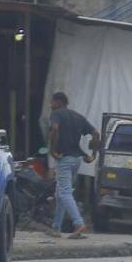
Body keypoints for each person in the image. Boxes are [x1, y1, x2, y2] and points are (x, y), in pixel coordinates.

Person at [48, 91, 99, 239]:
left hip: (64, 158)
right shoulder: (78, 116)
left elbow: (55, 129)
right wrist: (93, 155)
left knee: (64, 192)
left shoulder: (56, 114)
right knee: (61, 193)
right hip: (77, 159)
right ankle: (56, 228)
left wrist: (52, 151)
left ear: (58, 102)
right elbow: (96, 133)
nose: (51, 105)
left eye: (52, 102)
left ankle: (79, 223)